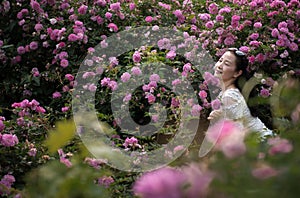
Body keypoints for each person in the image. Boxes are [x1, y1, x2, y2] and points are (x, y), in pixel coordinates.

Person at [207, 48, 273, 140]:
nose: (219, 66)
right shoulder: (228, 92)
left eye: (226, 64)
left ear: (237, 73)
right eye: (220, 60)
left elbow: (238, 136)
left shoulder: (230, 96)